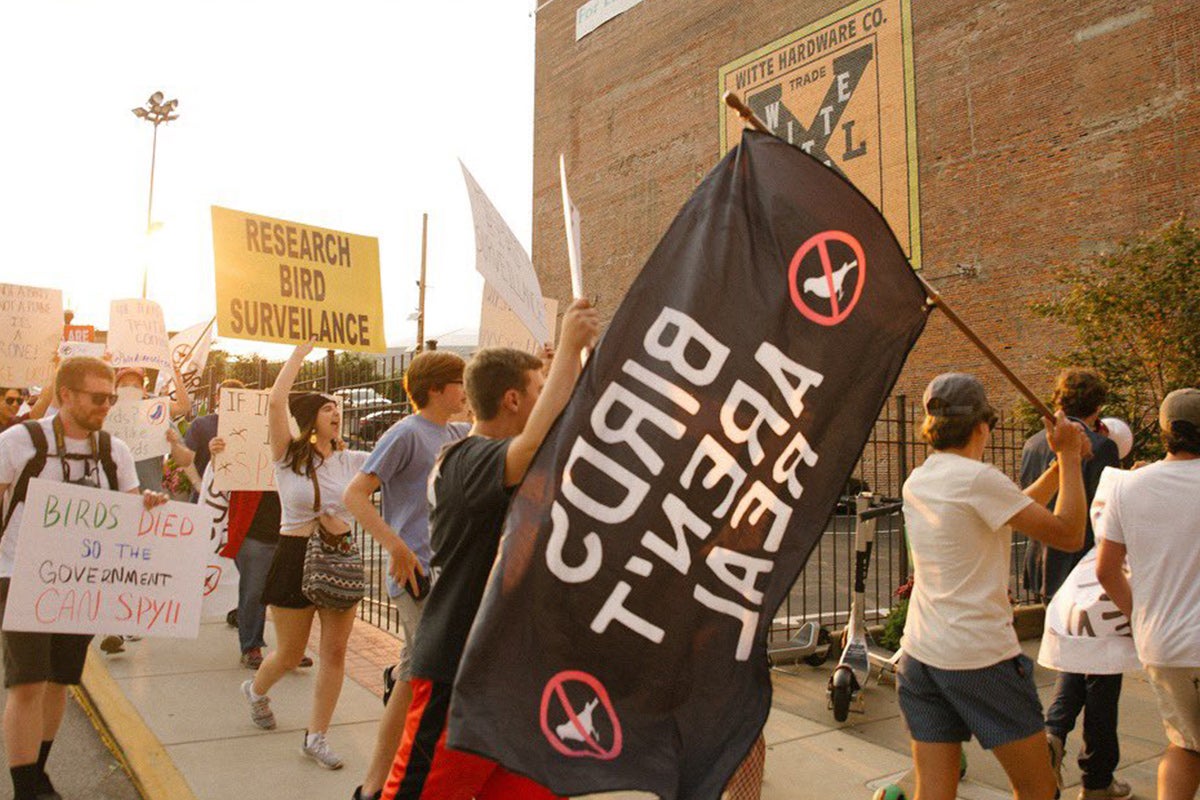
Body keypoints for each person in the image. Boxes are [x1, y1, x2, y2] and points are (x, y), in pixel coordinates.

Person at [381, 298, 600, 800]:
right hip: (462, 675)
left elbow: (561, 433)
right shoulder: (466, 459)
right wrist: (567, 348)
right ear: (512, 401)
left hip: (517, 677)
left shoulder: (504, 458)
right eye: (538, 392)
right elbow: (524, 455)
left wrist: (564, 368)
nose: (547, 399)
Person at [897, 373, 1087, 800]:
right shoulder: (978, 479)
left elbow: (1013, 506)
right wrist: (1072, 459)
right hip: (980, 660)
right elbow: (1070, 534)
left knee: (934, 791)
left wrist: (1059, 464)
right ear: (983, 426)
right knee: (1038, 789)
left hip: (922, 655)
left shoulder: (920, 479)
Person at [0, 356, 168, 800]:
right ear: (66, 395)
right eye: (98, 398)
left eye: (110, 398)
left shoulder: (115, 451)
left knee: (60, 680)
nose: (106, 406)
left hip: (82, 581)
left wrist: (148, 503)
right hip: (19, 575)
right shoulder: (21, 441)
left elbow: (130, 510)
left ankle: (39, 772)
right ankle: (25, 786)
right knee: (28, 682)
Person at [344, 351, 469, 800]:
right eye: (459, 381)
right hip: (415, 572)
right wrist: (395, 545)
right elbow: (355, 495)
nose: (465, 389)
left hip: (445, 572)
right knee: (426, 674)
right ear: (435, 388)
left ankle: (375, 786)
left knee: (415, 672)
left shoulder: (456, 432)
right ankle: (381, 785)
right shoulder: (406, 433)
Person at [240, 340, 368, 770]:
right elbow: (276, 401)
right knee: (290, 655)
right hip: (295, 555)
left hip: (338, 556)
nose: (336, 412)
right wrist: (302, 351)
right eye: (328, 406)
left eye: (339, 408)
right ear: (311, 417)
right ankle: (256, 691)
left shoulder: (354, 460)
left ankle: (317, 737)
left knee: (334, 653)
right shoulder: (289, 456)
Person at [1019, 369, 1126, 799]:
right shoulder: (1100, 447)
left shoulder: (1032, 443)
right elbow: (1110, 514)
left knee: (1075, 663)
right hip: (1087, 567)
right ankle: (1096, 778)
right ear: (1098, 406)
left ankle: (1054, 734)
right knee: (1102, 671)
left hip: (1044, 567)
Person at [1096, 388, 1200, 800]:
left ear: (1163, 432)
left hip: (1165, 642)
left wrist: (1142, 618)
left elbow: (1106, 570)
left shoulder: (1129, 486)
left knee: (1185, 745)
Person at [185, 378, 246, 480]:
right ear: (217, 398)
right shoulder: (200, 424)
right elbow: (187, 461)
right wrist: (199, 486)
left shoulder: (246, 426)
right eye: (228, 397)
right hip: (205, 493)